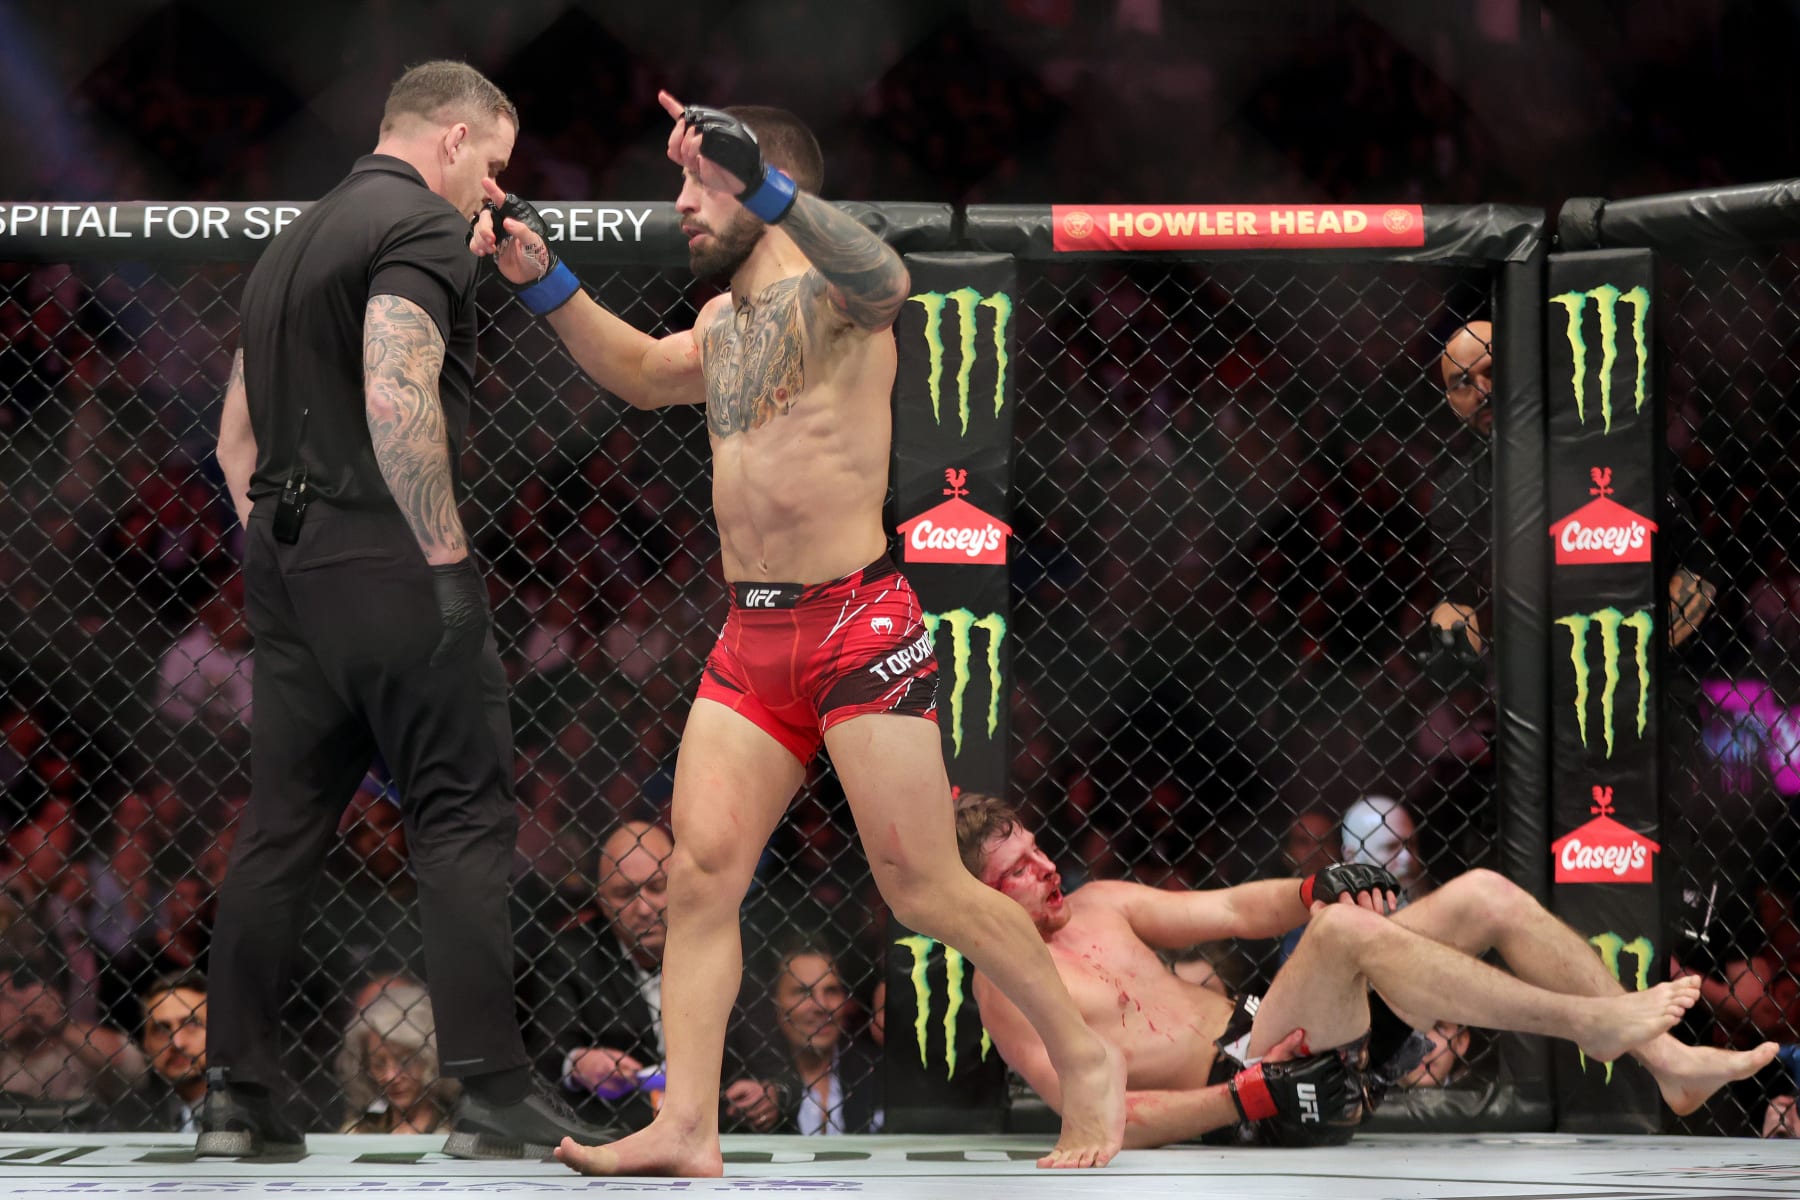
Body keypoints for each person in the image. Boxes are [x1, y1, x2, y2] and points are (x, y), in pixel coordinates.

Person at [470, 92, 1126, 1175]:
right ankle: (687, 1126)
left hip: (860, 624)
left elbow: (890, 279)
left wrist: (774, 191)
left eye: (697, 182)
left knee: (925, 889)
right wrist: (543, 279)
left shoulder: (839, 296)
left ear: (754, 184)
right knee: (700, 878)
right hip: (751, 640)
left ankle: (1083, 1062)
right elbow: (638, 375)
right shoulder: (727, 325)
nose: (678, 204)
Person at [205, 59, 605, 1160]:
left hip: (286, 561)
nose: (494, 192)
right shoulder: (423, 228)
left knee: (281, 824)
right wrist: (441, 559)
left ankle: (234, 1101)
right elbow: (395, 391)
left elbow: (237, 434)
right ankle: (489, 1092)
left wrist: (280, 537)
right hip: (389, 550)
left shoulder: (291, 243)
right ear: (451, 140)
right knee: (464, 815)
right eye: (493, 164)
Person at [954, 792, 1777, 1149]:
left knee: (1483, 894)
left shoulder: (1100, 900)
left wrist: (1313, 885)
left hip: (1284, 1029)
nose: (1046, 866)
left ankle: (1668, 1066)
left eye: (1037, 849)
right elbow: (1106, 1117)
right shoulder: (1007, 987)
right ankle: (1591, 1024)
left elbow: (1238, 910)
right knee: (1344, 935)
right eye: (1018, 871)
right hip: (1251, 1096)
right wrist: (1242, 1095)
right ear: (981, 897)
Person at [1429, 321, 1717, 657]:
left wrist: (1635, 654)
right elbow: (1458, 599)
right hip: (1540, 690)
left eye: (1493, 370)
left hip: (1644, 685)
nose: (1482, 390)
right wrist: (1452, 636)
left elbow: (1699, 565)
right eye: (1463, 382)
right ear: (1452, 402)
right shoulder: (1458, 490)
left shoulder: (1607, 449)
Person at [526, 821, 781, 1133]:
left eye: (657, 888)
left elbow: (776, 1065)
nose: (644, 907)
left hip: (720, 1130)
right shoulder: (569, 956)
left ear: (681, 886)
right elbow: (547, 1051)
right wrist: (579, 1063)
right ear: (602, 901)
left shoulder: (726, 948)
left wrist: (769, 1094)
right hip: (612, 1130)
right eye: (624, 893)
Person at [765, 942, 881, 1135]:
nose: (821, 1006)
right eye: (804, 992)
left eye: (831, 991)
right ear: (777, 1006)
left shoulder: (875, 1073)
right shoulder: (756, 1081)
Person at [335, 980, 459, 1134]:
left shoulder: (459, 1128)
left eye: (405, 1062)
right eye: (378, 1064)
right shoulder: (357, 1132)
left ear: (430, 1058)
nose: (390, 1077)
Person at [134, 969, 209, 1133]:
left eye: (192, 1024)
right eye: (161, 1029)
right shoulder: (131, 1116)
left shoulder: (258, 1114)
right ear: (145, 1044)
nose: (177, 1043)